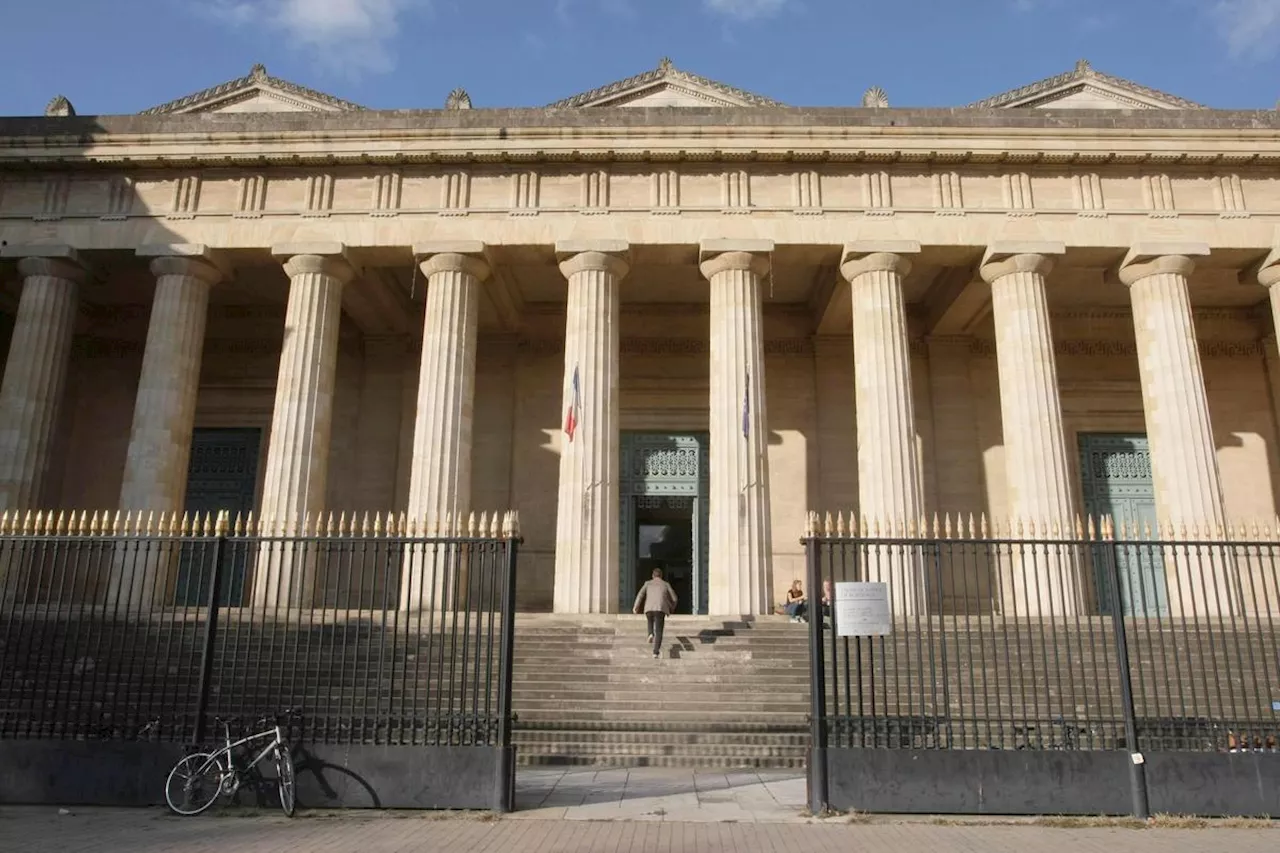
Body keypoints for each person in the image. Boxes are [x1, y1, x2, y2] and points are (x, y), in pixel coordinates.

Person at [633, 568, 677, 658]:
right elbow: (674, 598)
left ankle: (650, 633)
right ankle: (655, 652)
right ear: (661, 576)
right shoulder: (665, 584)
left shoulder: (647, 583)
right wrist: (672, 608)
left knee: (650, 620)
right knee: (659, 631)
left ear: (653, 576)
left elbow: (640, 595)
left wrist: (636, 607)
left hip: (648, 608)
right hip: (660, 608)